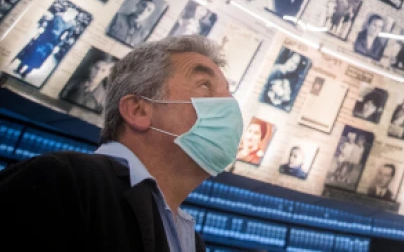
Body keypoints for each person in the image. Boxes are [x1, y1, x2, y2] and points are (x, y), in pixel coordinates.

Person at [0, 36, 237, 250]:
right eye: (205, 85)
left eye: (228, 94)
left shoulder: (192, 242)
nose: (228, 105)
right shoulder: (61, 181)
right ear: (138, 110)